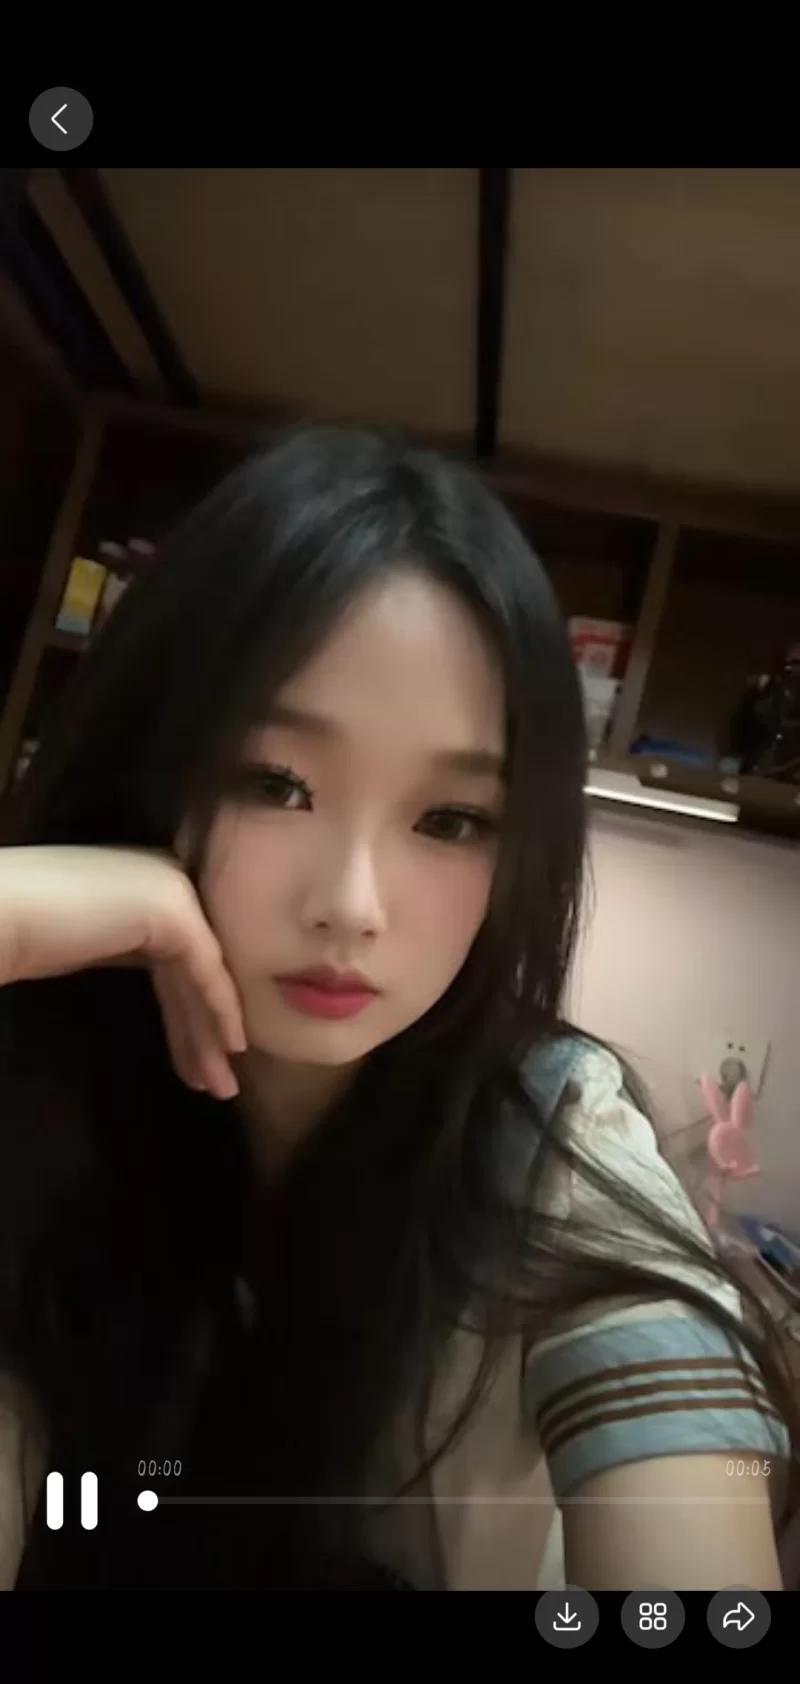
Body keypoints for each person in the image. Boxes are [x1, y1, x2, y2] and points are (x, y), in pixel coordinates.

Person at [0, 424, 795, 1592]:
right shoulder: (50, 1088)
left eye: (449, 819)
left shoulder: (547, 1135)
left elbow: (671, 1457)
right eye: (274, 782)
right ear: (155, 763)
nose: (353, 905)